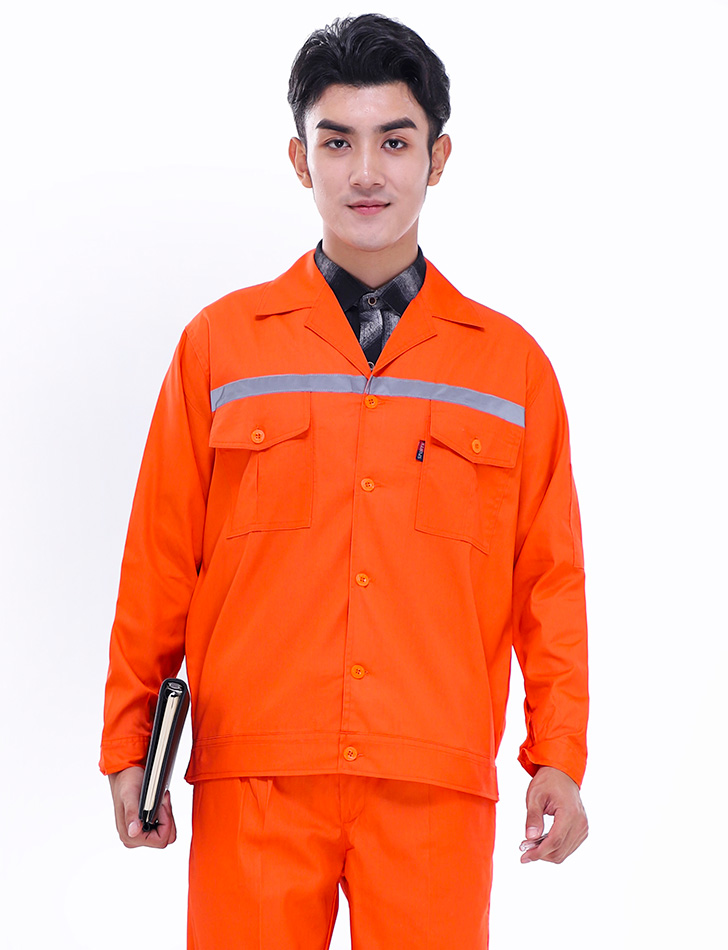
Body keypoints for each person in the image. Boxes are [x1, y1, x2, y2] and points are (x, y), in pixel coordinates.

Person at [100, 13, 589, 949]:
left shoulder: (511, 368)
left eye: (394, 142)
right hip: (256, 777)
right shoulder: (221, 347)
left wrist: (558, 753)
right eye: (338, 142)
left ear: (438, 158)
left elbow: (549, 582)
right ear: (300, 159)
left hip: (432, 780)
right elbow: (160, 557)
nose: (367, 171)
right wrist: (129, 740)